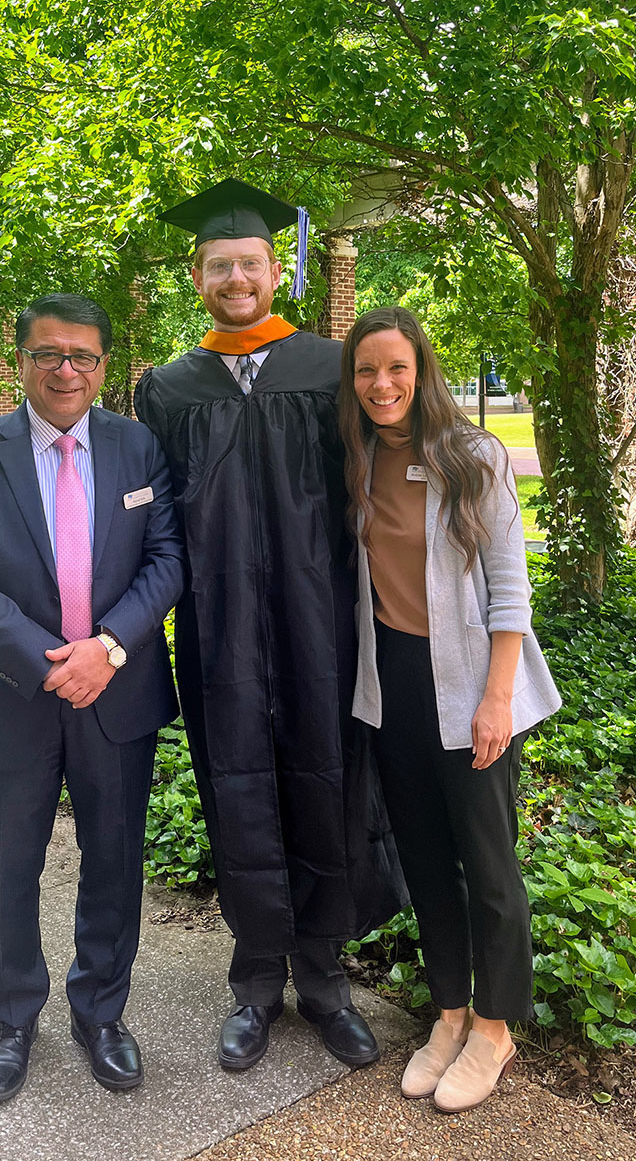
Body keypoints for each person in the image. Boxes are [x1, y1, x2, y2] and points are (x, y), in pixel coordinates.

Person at [134, 180, 407, 1072]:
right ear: (199, 273)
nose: (236, 279)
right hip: (217, 628)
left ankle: (324, 978)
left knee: (326, 783)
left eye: (250, 263)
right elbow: (160, 518)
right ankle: (255, 980)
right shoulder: (170, 387)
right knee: (238, 785)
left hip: (321, 620)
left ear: (275, 269)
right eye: (221, 266)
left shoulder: (330, 368)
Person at [0, 293, 184, 1103]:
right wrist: (51, 664)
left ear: (105, 367)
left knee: (114, 862)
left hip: (118, 692)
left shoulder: (139, 446)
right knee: (7, 868)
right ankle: (10, 1017)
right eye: (48, 355)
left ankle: (101, 1012)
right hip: (11, 698)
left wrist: (106, 648)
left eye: (83, 357)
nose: (66, 370)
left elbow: (168, 558)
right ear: (22, 361)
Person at [339, 307, 561, 1113]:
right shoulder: (359, 459)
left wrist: (497, 699)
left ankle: (496, 1028)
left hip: (472, 683)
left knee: (489, 868)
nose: (382, 384)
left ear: (421, 368)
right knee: (426, 862)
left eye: (396, 367)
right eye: (366, 371)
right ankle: (450, 1014)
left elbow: (511, 591)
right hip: (393, 683)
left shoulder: (474, 458)